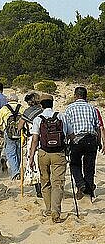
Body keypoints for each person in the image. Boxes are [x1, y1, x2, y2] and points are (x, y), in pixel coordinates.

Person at [28, 94, 70, 223]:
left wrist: (31, 157)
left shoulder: (38, 119)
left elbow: (35, 140)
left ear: (41, 105)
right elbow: (69, 135)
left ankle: (48, 208)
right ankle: (55, 211)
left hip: (43, 153)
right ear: (52, 104)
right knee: (58, 183)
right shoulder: (61, 116)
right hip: (59, 154)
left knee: (45, 181)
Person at [65, 86, 102, 200]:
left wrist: (66, 142)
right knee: (89, 167)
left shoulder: (69, 108)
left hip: (76, 139)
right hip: (91, 139)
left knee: (74, 164)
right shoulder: (92, 108)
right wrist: (99, 142)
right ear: (86, 96)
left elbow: (67, 126)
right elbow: (97, 127)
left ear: (75, 96)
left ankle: (81, 184)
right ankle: (88, 191)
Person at [0, 93, 25, 179]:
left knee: (10, 153)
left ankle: (15, 172)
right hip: (19, 133)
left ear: (8, 100)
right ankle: (17, 170)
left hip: (9, 133)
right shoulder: (21, 108)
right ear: (17, 100)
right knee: (18, 152)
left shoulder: (4, 109)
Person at [19, 93, 43, 197]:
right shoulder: (43, 110)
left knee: (33, 163)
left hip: (32, 138)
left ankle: (38, 189)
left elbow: (19, 126)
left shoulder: (28, 112)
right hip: (44, 139)